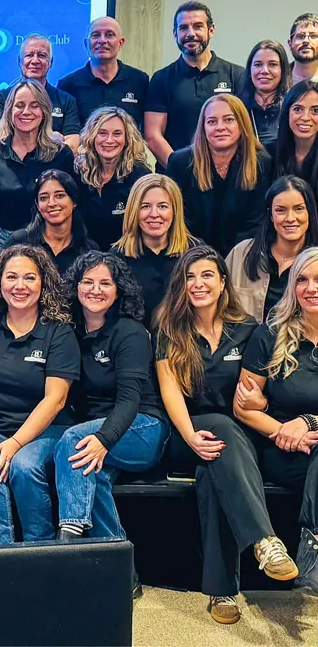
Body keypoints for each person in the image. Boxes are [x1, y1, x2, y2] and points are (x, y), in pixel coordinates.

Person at [154, 245, 296, 625]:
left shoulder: (248, 328)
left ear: (222, 283)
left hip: (237, 441)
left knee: (213, 472)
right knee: (214, 429)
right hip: (187, 435)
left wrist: (261, 405)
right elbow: (170, 393)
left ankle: (222, 590)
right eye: (190, 277)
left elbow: (255, 394)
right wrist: (190, 436)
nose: (198, 284)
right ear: (181, 285)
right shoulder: (169, 329)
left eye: (206, 276)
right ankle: (264, 542)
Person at [54, 252, 166, 562]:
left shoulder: (129, 331)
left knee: (75, 443)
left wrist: (104, 440)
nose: (95, 289)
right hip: (99, 427)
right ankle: (122, 574)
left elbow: (129, 399)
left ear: (119, 290)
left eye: (105, 283)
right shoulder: (70, 330)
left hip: (142, 426)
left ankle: (67, 544)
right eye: (87, 282)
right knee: (94, 475)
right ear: (76, 287)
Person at [0, 244, 79, 545]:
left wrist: (16, 443)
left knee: (24, 465)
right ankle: (0, 556)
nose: (20, 286)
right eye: (11, 277)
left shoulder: (59, 331)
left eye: (29, 278)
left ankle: (39, 555)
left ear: (43, 284)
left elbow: (55, 399)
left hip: (47, 428)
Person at [236, 246, 318, 594]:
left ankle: (311, 542)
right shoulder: (270, 333)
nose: (311, 287)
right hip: (283, 450)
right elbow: (243, 407)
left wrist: (310, 422)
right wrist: (286, 430)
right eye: (302, 279)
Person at [165, 94, 271, 257]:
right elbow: (178, 221)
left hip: (244, 257)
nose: (220, 127)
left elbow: (257, 223)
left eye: (228, 120)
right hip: (189, 256)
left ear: (242, 124)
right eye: (212, 121)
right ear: (203, 128)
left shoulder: (261, 163)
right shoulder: (180, 163)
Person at [145, 1, 246, 167]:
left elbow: (243, 129)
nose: (190, 34)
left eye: (198, 26)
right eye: (183, 28)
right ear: (175, 33)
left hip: (226, 174)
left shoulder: (237, 75)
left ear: (211, 30)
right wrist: (180, 169)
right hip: (178, 179)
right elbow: (153, 135)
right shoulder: (161, 79)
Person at [0, 80, 74, 247]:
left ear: (44, 111)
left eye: (34, 106)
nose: (26, 112)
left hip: (47, 240)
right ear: (9, 111)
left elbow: (71, 207)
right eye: (19, 105)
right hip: (0, 240)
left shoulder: (61, 154)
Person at [227, 175, 318, 323]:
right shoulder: (242, 254)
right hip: (245, 344)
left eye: (299, 209)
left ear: (310, 213)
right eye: (281, 210)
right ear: (271, 215)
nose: (290, 218)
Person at [112, 173, 195, 327]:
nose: (154, 214)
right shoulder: (116, 257)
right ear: (134, 211)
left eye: (163, 206)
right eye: (145, 206)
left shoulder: (195, 251)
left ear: (174, 211)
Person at [73, 107, 151, 250]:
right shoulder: (78, 173)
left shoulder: (140, 176)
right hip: (83, 257)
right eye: (102, 133)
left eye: (117, 134)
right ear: (92, 136)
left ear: (127, 138)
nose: (109, 140)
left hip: (126, 256)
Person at [0, 35, 82, 149]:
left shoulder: (66, 101)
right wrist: (51, 138)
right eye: (29, 55)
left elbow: (72, 146)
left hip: (53, 166)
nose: (35, 61)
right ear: (19, 61)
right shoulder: (0, 98)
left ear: (51, 62)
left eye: (42, 55)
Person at [57, 16, 150, 129]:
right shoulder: (68, 85)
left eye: (109, 35)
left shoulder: (140, 81)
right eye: (95, 35)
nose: (102, 40)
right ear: (86, 44)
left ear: (120, 43)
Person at [6, 170, 98, 277]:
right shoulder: (19, 241)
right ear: (38, 205)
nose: (51, 203)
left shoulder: (88, 250)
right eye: (43, 198)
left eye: (59, 196)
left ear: (74, 201)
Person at [239, 40, 290, 152]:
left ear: (282, 70)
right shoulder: (238, 108)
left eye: (272, 64)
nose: (264, 71)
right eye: (258, 64)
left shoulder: (293, 106)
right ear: (249, 70)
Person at [273, 80, 318, 193]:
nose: (305, 117)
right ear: (287, 113)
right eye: (297, 109)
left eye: (315, 111)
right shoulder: (268, 153)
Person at [288, 13, 318, 84]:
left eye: (313, 36)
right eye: (300, 36)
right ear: (290, 44)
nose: (306, 41)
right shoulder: (277, 78)